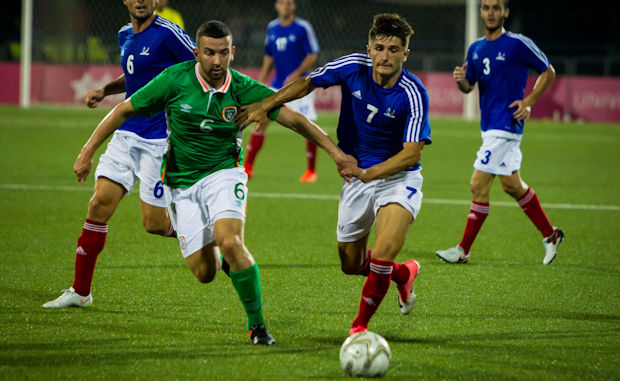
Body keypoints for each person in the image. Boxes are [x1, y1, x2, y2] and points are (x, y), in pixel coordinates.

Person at [60, 20, 356, 345]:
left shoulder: (243, 88)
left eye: (224, 53)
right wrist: (87, 150)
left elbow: (298, 121)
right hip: (182, 184)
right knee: (205, 273)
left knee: (231, 242)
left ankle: (257, 327)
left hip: (224, 173)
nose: (217, 61)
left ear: (233, 52)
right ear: (196, 52)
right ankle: (219, 248)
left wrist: (337, 155)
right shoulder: (174, 80)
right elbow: (123, 110)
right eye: (210, 53)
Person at [238, 14, 430, 336]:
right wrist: (268, 102)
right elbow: (308, 83)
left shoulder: (413, 92)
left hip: (398, 179)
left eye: (394, 50)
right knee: (351, 264)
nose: (385, 56)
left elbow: (411, 153)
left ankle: (359, 328)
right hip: (357, 179)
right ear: (369, 48)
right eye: (379, 48)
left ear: (405, 54)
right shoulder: (353, 66)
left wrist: (368, 173)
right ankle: (403, 274)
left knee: (381, 254)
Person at [43, 0, 196, 308]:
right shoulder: (124, 33)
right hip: (126, 133)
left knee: (153, 223)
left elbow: (201, 67)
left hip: (160, 139)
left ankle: (199, 233)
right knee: (99, 203)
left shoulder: (170, 34)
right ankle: (81, 292)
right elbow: (135, 76)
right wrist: (104, 90)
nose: (140, 0)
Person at [435, 0, 563, 265]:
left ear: (505, 12)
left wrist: (528, 101)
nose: (490, 12)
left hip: (506, 124)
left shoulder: (517, 44)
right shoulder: (476, 48)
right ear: (481, 12)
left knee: (477, 184)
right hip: (489, 126)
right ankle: (551, 235)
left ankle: (462, 250)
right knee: (512, 185)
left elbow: (548, 71)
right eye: (485, 7)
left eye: (496, 8)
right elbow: (469, 86)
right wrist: (461, 82)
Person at [243, 0, 320, 182]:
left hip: (301, 86)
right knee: (261, 119)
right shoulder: (272, 27)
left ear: (293, 7)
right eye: (283, 3)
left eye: (289, 3)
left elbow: (312, 54)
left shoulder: (303, 27)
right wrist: (261, 81)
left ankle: (311, 171)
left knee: (307, 126)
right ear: (276, 6)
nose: (286, 6)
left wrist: (296, 74)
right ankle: (248, 167)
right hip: (277, 85)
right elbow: (268, 55)